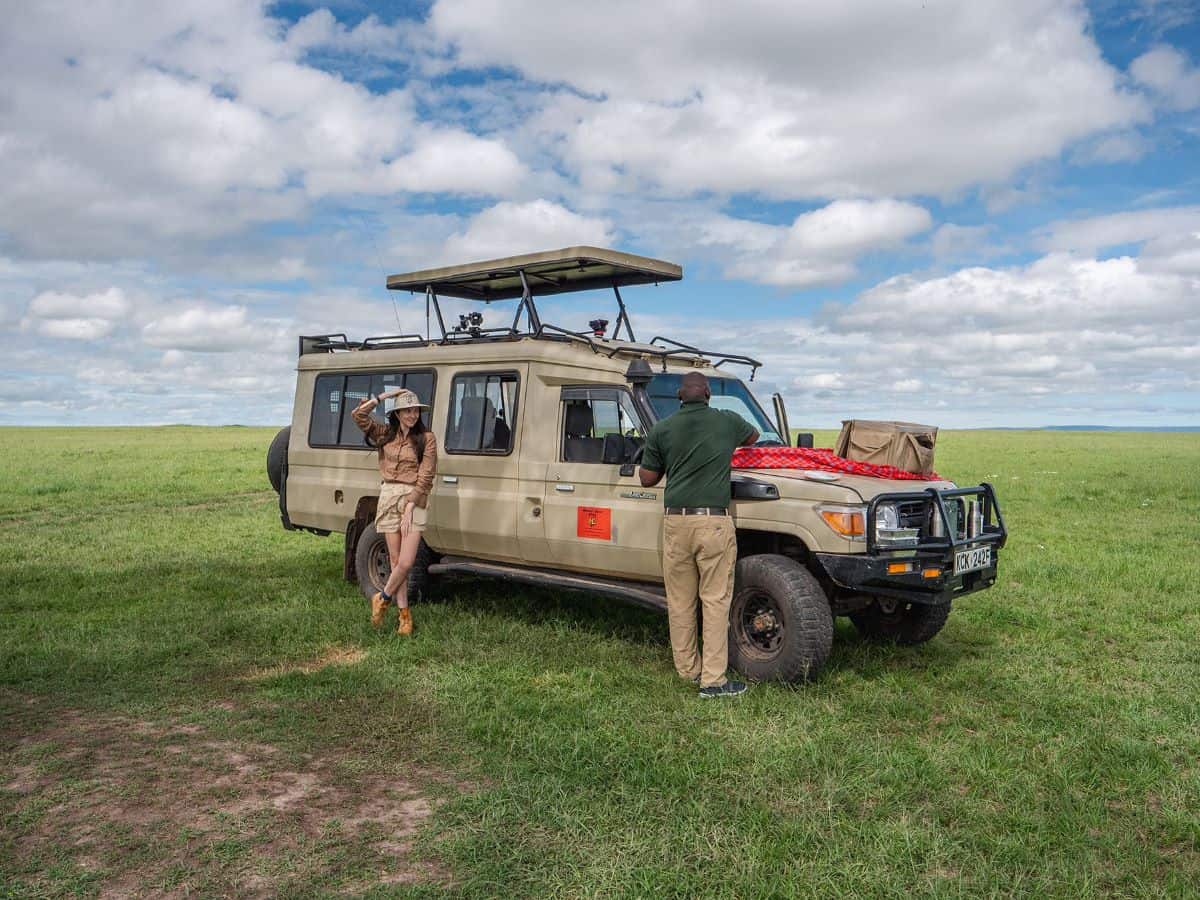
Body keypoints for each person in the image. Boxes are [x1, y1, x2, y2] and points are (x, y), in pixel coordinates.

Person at [639, 372, 758, 698]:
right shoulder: (726, 421)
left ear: (679, 395)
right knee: (715, 601)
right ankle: (714, 681)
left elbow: (646, 479)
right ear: (707, 393)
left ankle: (688, 670)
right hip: (713, 523)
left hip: (676, 524)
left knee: (680, 601)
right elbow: (754, 436)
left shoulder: (662, 429)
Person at [352, 388, 437, 635]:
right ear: (397, 413)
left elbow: (426, 475)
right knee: (395, 560)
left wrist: (411, 504)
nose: (412, 415)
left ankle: (383, 597)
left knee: (408, 561)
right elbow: (358, 416)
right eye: (407, 410)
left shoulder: (426, 438)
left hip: (415, 498)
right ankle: (404, 617)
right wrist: (383, 397)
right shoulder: (385, 434)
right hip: (389, 497)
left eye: (415, 410)